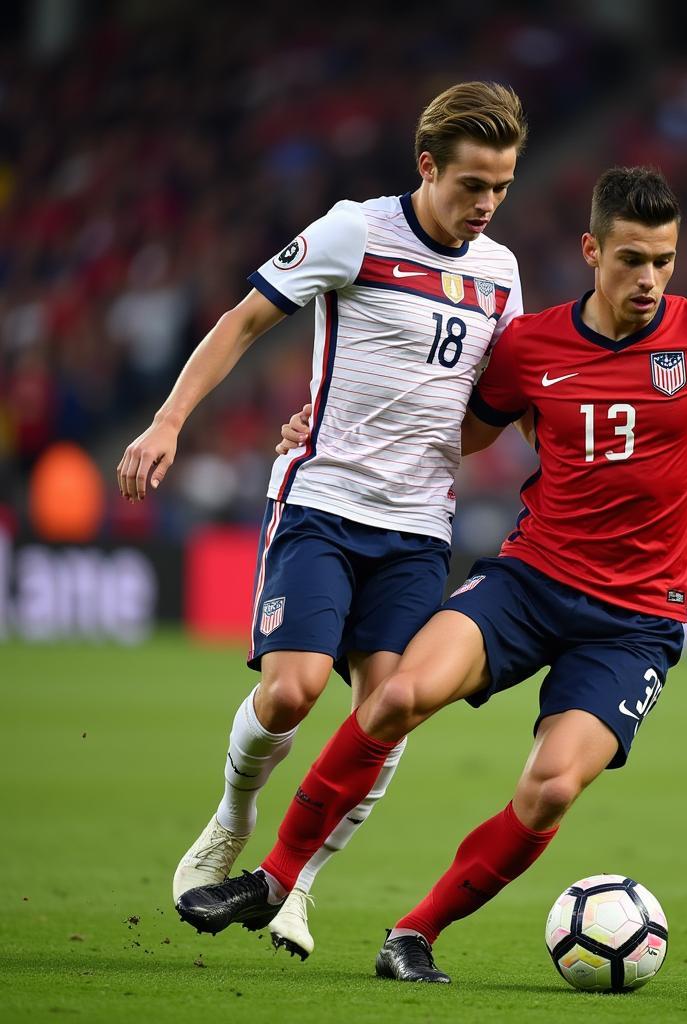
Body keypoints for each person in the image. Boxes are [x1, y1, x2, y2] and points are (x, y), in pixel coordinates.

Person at [177, 166, 687, 982]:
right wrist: (333, 426)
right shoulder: (530, 346)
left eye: (664, 261)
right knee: (396, 697)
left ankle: (413, 934)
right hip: (529, 581)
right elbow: (464, 433)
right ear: (592, 250)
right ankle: (274, 877)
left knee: (551, 790)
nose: (649, 278)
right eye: (632, 259)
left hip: (634, 621)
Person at [116, 81, 528, 949]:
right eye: (470, 186)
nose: (486, 206)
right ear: (427, 167)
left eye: (501, 187)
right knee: (295, 690)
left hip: (418, 529)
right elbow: (243, 320)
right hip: (323, 503)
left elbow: (484, 416)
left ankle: (294, 879)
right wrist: (168, 420)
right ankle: (232, 818)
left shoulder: (501, 274)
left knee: (391, 711)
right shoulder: (356, 230)